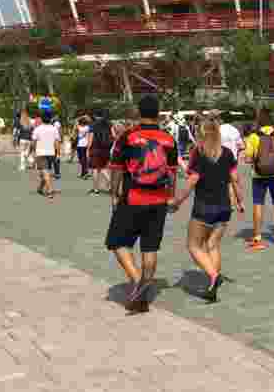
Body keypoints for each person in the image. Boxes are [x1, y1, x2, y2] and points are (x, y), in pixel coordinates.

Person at [105, 95, 178, 314]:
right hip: (158, 200)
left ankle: (138, 281)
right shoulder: (168, 139)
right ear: (158, 113)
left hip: (133, 197)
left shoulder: (128, 137)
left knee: (116, 241)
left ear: (139, 112)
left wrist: (114, 194)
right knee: (150, 247)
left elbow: (116, 169)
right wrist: (171, 196)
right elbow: (172, 172)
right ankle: (143, 293)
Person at [170, 117, 245, 303]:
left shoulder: (198, 153)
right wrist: (240, 200)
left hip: (204, 206)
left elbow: (192, 181)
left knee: (193, 245)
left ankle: (213, 276)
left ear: (200, 134)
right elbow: (235, 178)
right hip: (224, 206)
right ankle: (212, 286)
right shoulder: (227, 153)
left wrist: (177, 201)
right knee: (213, 245)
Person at [244, 108, 274, 248]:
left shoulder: (254, 136)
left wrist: (256, 160)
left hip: (258, 175)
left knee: (258, 204)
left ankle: (257, 237)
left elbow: (247, 158)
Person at [32, 112, 60, 199]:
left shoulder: (37, 129)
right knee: (44, 173)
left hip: (41, 153)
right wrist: (58, 153)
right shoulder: (54, 129)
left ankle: (49, 190)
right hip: (51, 153)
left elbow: (34, 142)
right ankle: (40, 188)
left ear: (41, 119)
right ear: (50, 119)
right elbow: (57, 142)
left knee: (45, 172)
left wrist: (34, 152)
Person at [88, 110, 114, 196]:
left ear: (95, 116)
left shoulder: (93, 125)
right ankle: (111, 183)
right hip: (106, 149)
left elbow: (91, 138)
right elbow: (113, 135)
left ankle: (96, 189)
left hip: (95, 148)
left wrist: (88, 149)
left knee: (95, 169)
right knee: (103, 167)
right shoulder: (109, 123)